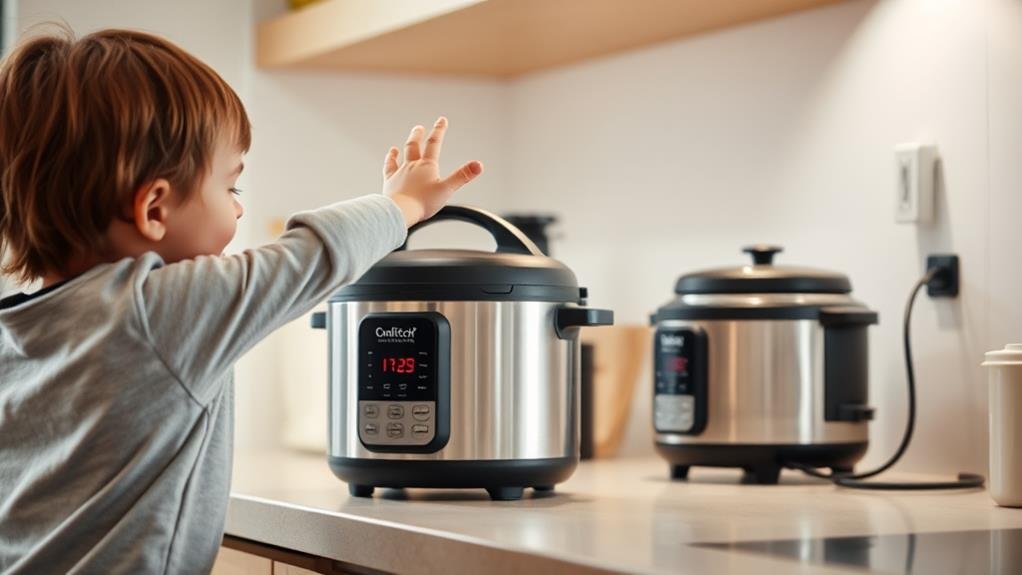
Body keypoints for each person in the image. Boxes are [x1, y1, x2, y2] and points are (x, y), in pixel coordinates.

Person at [0, 27, 482, 574]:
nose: (239, 211)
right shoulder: (156, 314)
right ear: (155, 209)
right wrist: (403, 205)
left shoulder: (15, 332)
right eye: (233, 188)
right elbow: (309, 258)